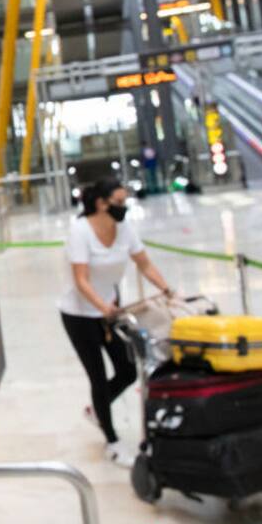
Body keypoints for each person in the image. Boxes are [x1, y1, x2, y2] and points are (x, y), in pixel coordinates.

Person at [61, 179, 174, 467]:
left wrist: (166, 290)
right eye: (119, 202)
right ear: (101, 203)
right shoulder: (80, 231)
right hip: (80, 315)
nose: (124, 208)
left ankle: (97, 410)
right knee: (97, 376)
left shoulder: (124, 229)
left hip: (110, 311)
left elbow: (144, 263)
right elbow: (81, 279)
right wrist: (101, 307)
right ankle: (111, 440)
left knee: (127, 370)